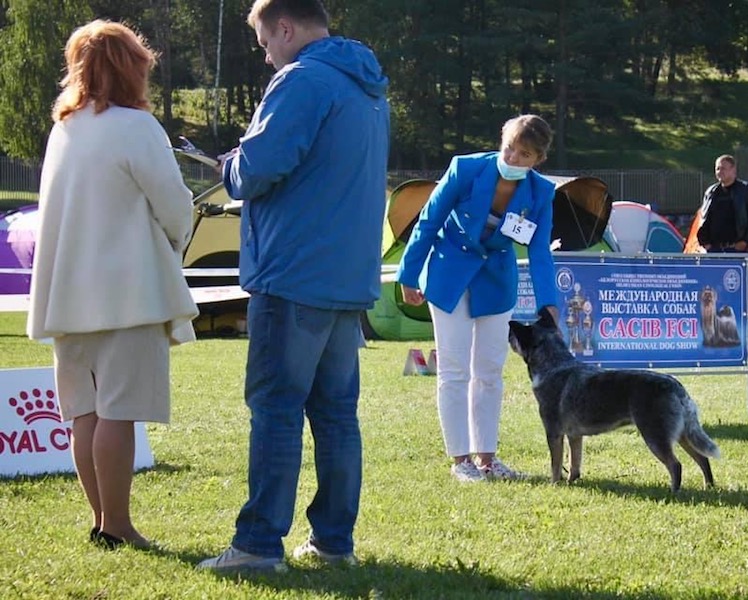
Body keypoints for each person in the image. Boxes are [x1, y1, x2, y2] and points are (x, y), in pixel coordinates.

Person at [197, 0, 389, 573]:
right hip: (344, 277)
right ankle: (334, 542)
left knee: (276, 409)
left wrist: (230, 164)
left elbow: (257, 169)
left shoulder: (302, 81)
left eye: (263, 43)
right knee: (335, 414)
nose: (264, 56)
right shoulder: (367, 88)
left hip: (294, 273)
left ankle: (257, 545)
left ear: (284, 28)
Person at [26, 20, 198, 549]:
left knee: (85, 411)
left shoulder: (64, 129)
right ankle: (119, 525)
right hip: (128, 296)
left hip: (66, 295)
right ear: (133, 69)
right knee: (119, 413)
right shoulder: (138, 127)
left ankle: (103, 520)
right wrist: (177, 238)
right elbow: (175, 208)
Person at [397, 114, 559, 483]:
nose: (513, 159)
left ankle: (488, 459)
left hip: (496, 282)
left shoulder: (541, 193)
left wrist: (547, 301)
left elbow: (539, 250)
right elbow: (428, 221)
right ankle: (461, 462)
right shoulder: (464, 170)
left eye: (524, 155)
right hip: (449, 275)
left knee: (490, 371)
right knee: (454, 370)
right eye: (509, 149)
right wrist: (408, 274)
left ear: (538, 160)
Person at [696, 154, 748, 252]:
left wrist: (745, 241)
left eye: (723, 168)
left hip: (736, 248)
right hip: (713, 249)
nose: (719, 172)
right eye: (717, 169)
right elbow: (703, 218)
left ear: (733, 170)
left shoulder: (746, 190)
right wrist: (705, 242)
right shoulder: (710, 192)